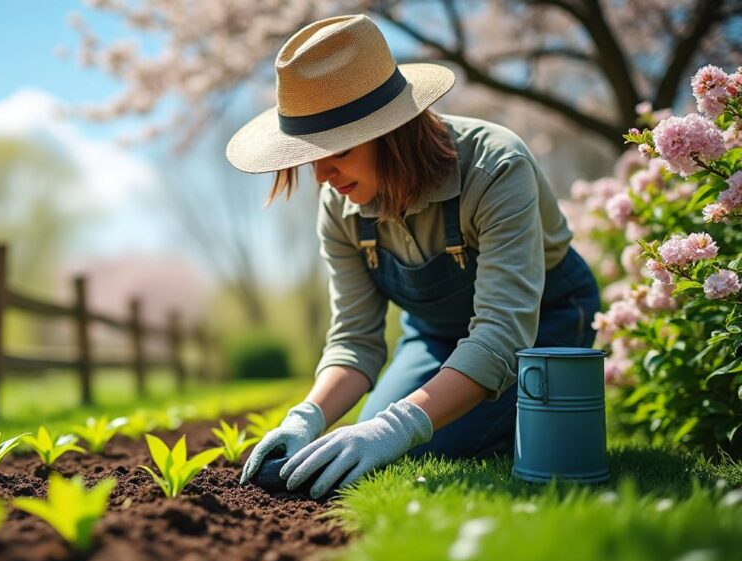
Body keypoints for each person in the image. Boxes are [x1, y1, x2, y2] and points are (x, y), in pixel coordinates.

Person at [226, 14, 600, 499]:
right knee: (367, 437)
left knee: (412, 443)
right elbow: (356, 340)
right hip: (434, 334)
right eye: (308, 153)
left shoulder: (495, 168)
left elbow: (502, 333)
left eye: (333, 149)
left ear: (389, 129)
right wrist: (307, 417)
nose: (320, 174)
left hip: (542, 329)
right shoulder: (341, 205)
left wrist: (397, 428)